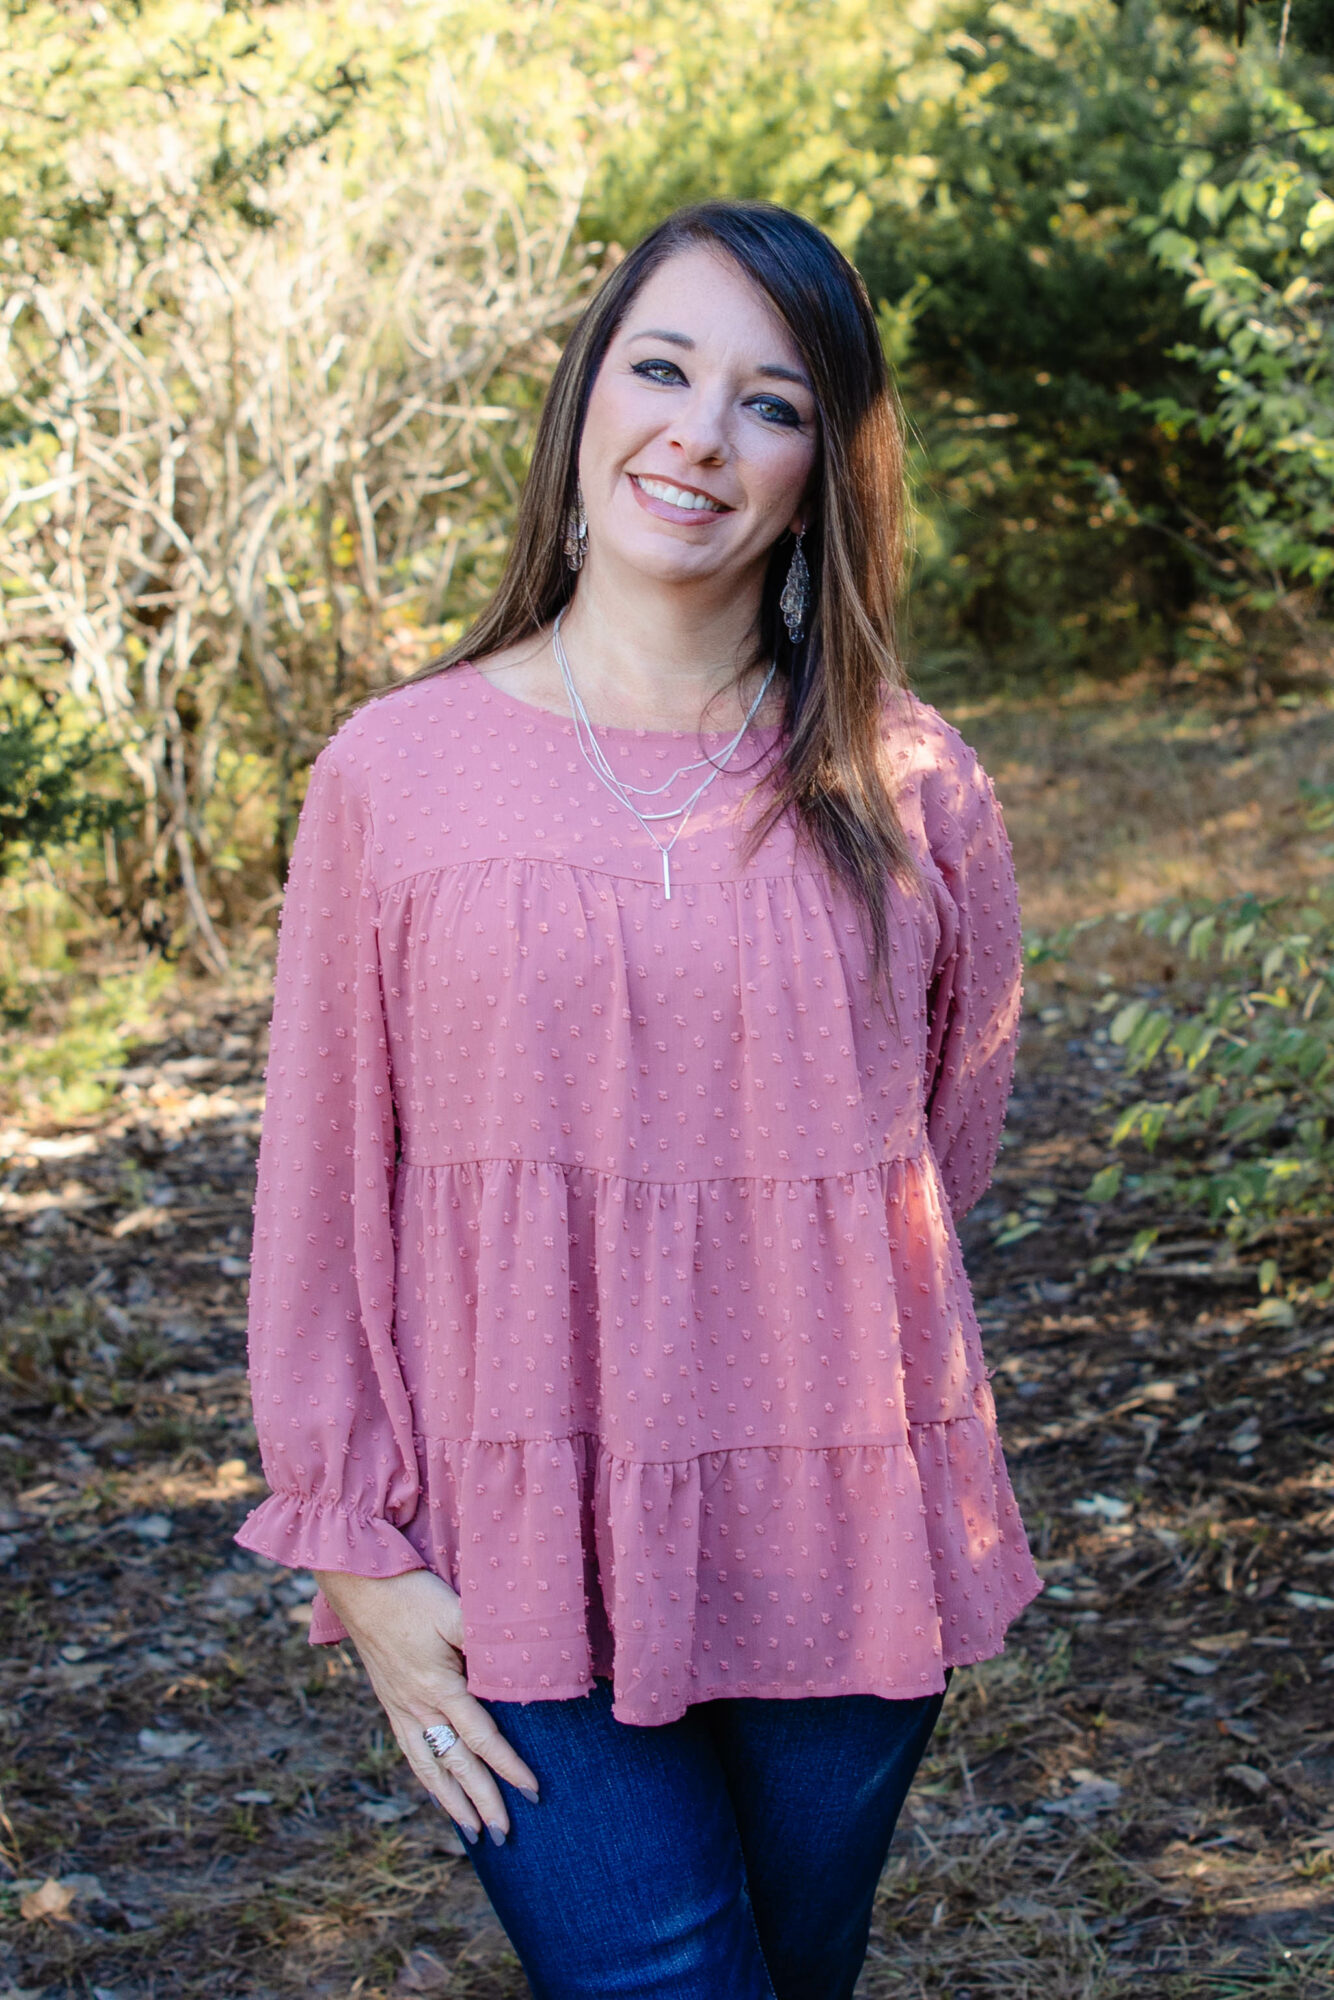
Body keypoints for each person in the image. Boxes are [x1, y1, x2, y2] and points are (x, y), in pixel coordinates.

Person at [235, 198, 1042, 2000]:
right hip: (511, 1536)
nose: (698, 435)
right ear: (586, 395)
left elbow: (940, 1138)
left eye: (769, 403)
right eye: (661, 369)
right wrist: (352, 1546)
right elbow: (323, 1189)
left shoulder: (908, 779)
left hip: (837, 1522)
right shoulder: (394, 774)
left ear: (821, 472)